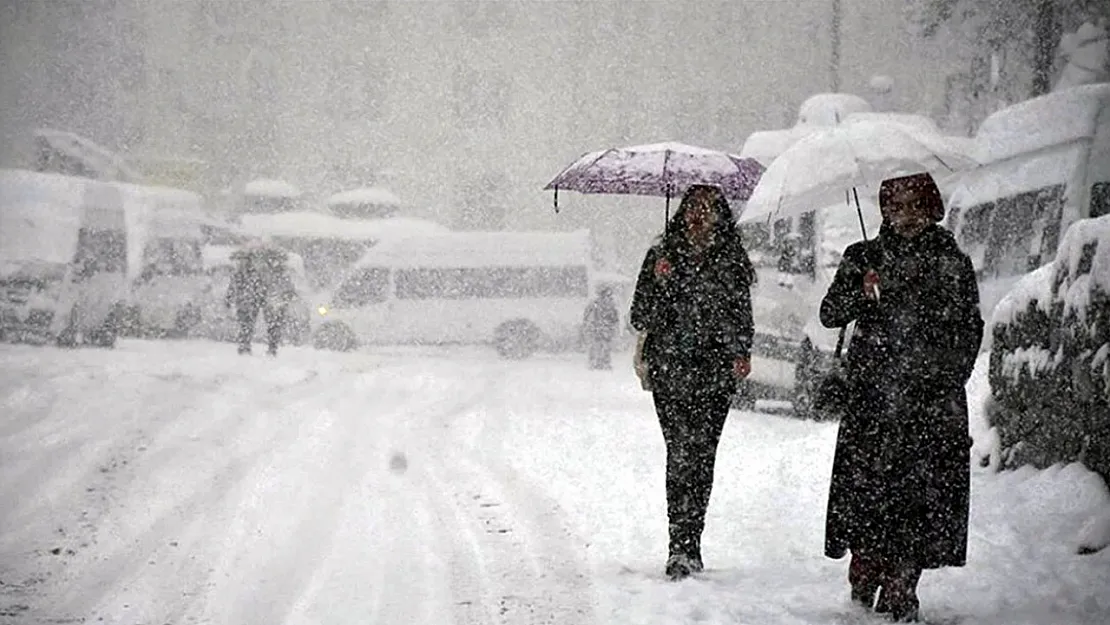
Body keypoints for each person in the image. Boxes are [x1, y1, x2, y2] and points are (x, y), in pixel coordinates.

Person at [820, 173, 983, 622]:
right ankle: (866, 567)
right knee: (868, 494)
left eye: (916, 206)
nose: (907, 216)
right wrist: (860, 289)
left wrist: (946, 377)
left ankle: (902, 584)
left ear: (932, 208)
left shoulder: (951, 261)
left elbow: (969, 329)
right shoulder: (863, 256)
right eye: (897, 206)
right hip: (873, 402)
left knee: (918, 499)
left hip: (929, 404)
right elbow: (829, 313)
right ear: (885, 211)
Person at [629, 184, 755, 580]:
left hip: (714, 374)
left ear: (721, 216)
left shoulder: (731, 260)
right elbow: (639, 315)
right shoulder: (661, 256)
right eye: (693, 208)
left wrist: (739, 352)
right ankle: (678, 545)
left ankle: (692, 540)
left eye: (709, 208)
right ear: (682, 212)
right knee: (680, 452)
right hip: (670, 370)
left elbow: (741, 315)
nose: (699, 215)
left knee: (702, 456)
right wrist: (660, 281)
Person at [225, 244, 297, 356]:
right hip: (250, 301)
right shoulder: (248, 273)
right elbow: (235, 286)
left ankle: (271, 347)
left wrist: (284, 297)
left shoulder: (275, 273)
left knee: (272, 326)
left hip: (270, 302)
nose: (240, 262)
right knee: (246, 324)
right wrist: (230, 298)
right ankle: (245, 346)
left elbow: (287, 288)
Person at [582, 286, 620, 369]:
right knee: (598, 346)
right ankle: (596, 362)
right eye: (607, 295)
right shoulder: (596, 304)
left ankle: (602, 362)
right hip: (599, 329)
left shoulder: (609, 305)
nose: (608, 297)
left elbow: (615, 318)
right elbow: (587, 314)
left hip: (603, 329)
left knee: (604, 347)